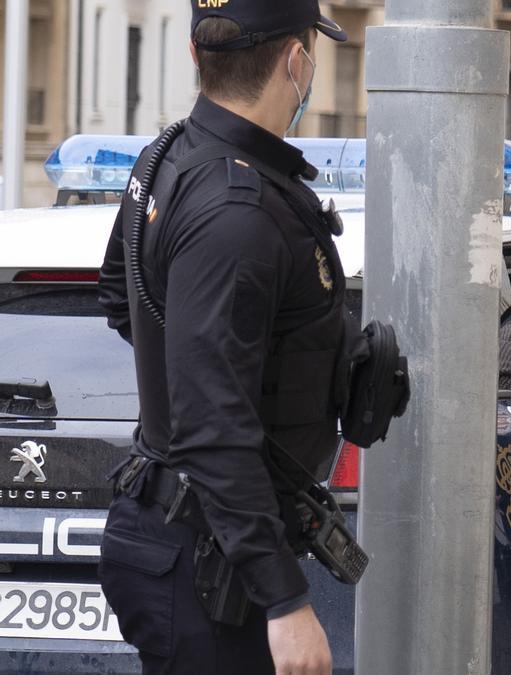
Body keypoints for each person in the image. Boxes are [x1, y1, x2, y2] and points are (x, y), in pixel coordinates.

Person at [96, 2, 350, 673]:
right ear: (296, 61)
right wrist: (285, 601)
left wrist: (211, 362)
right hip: (208, 563)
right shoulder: (238, 209)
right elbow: (212, 425)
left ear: (195, 54)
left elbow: (120, 297)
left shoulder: (169, 156)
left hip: (186, 534)